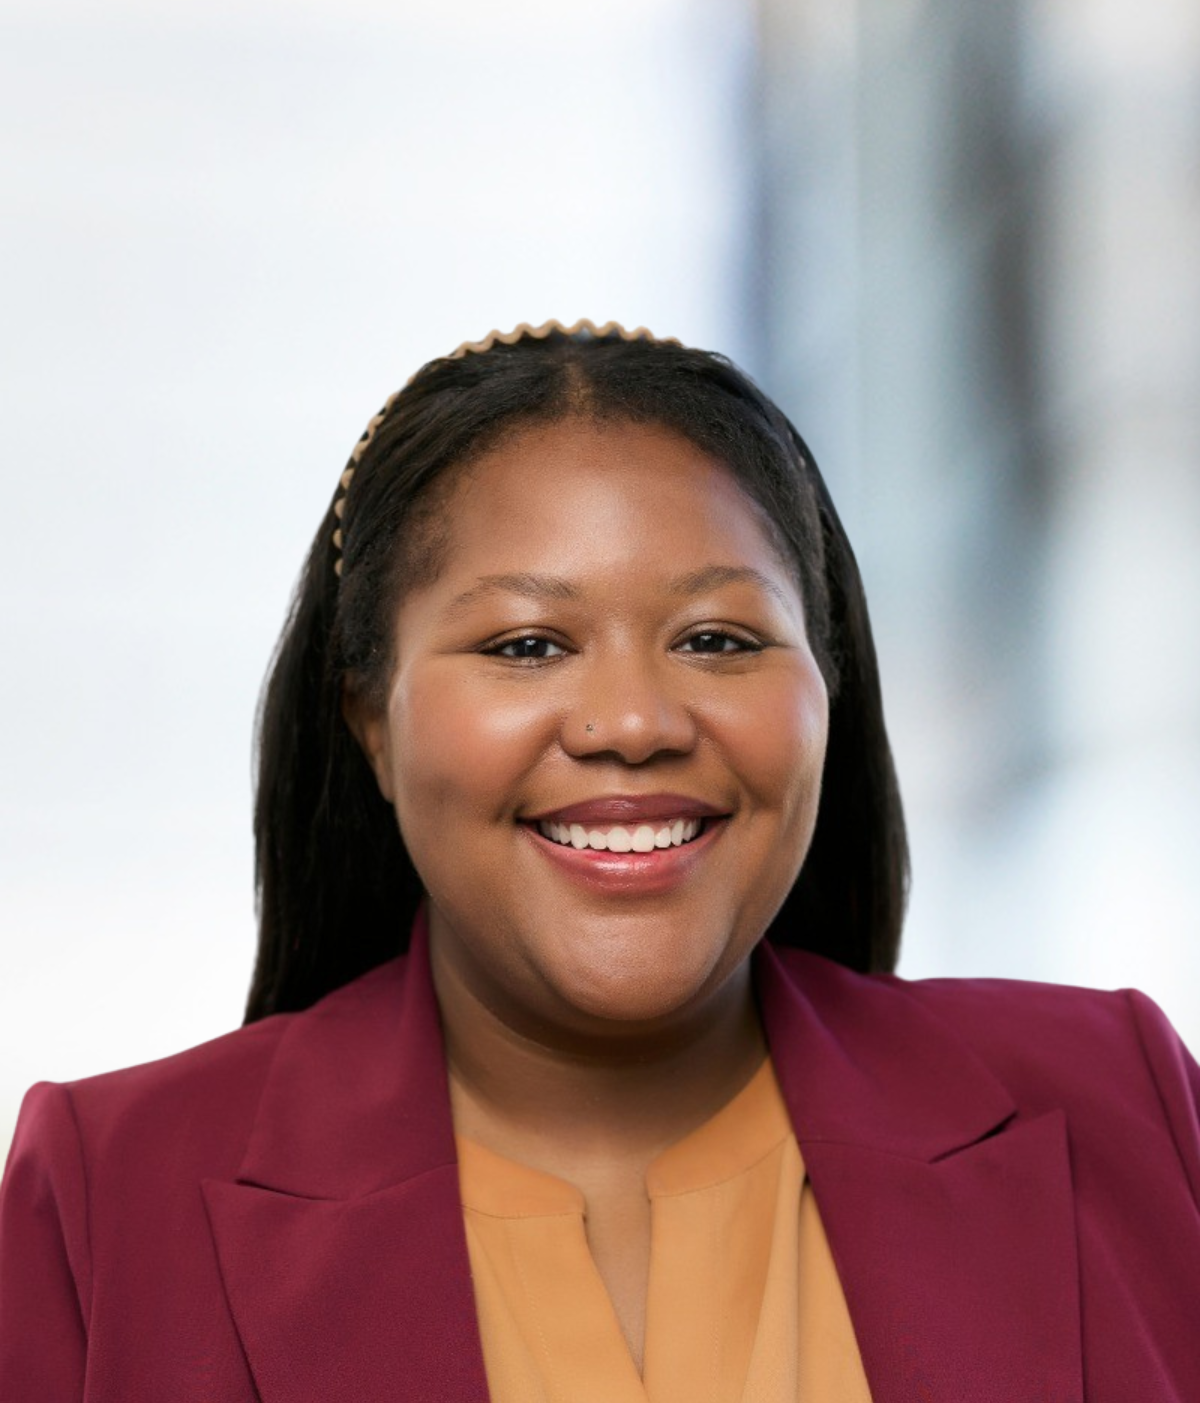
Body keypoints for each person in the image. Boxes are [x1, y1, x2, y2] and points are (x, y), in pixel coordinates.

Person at [1, 320, 1197, 1402]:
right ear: (371, 718)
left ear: (826, 686)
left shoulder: (1123, 1102)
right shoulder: (104, 1204)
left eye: (717, 638)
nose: (632, 722)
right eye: (527, 645)